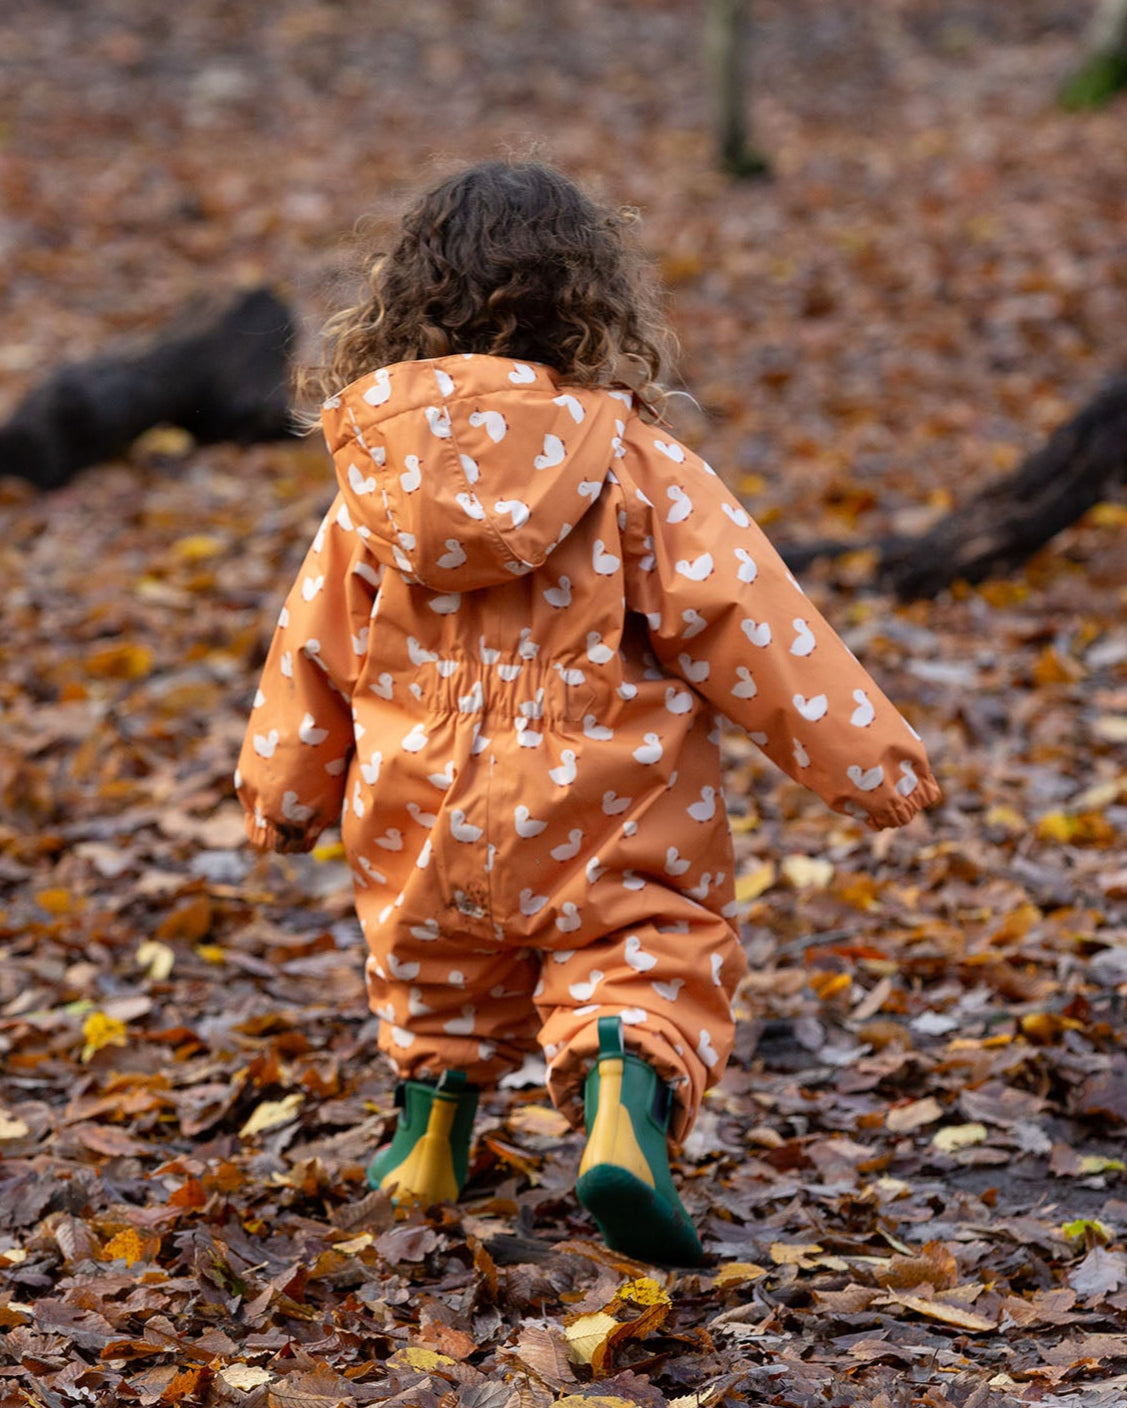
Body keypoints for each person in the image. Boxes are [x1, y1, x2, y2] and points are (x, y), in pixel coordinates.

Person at [235, 160, 940, 1266]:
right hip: (601, 805)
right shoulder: (636, 464)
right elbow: (752, 620)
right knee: (641, 952)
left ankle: (427, 1144)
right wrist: (866, 762)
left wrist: (282, 791)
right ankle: (617, 1095)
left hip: (421, 812)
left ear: (402, 301)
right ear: (588, 299)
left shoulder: (369, 484)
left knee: (435, 977)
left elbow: (311, 648)